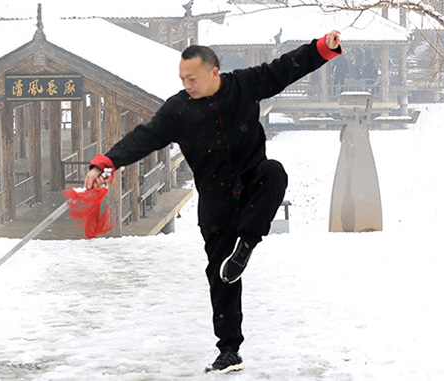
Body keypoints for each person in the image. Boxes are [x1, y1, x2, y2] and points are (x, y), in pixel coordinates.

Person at [84, 30, 342, 374]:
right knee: (221, 277)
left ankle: (247, 244)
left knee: (274, 173)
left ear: (213, 72)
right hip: (216, 199)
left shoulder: (245, 85)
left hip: (252, 183)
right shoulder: (178, 110)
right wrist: (107, 161)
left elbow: (284, 69)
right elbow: (144, 138)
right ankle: (229, 351)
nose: (187, 83)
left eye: (192, 77)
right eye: (182, 78)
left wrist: (321, 48)